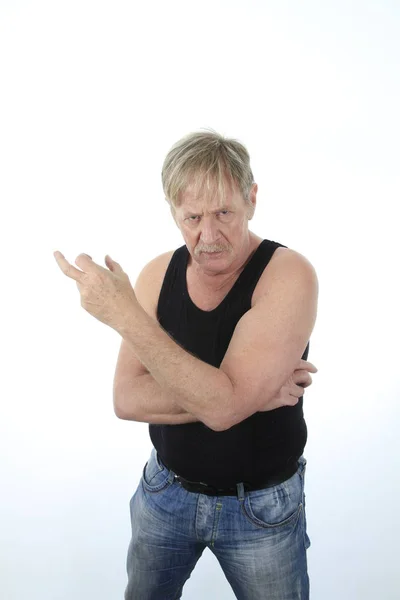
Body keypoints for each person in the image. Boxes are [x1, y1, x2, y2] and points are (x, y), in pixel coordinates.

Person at [113, 129, 319, 599]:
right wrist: (249, 394)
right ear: (174, 214)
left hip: (262, 508)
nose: (208, 236)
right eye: (192, 217)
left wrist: (230, 400)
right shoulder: (156, 275)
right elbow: (126, 399)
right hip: (164, 492)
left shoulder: (287, 274)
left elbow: (224, 410)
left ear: (251, 199)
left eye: (224, 212)